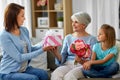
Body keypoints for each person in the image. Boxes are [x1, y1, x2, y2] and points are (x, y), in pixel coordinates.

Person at [0, 3, 54, 80]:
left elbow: (30, 49)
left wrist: (44, 44)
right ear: (14, 17)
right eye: (22, 16)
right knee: (33, 78)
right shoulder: (4, 35)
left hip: (24, 69)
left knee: (43, 74)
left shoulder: (24, 30)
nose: (24, 18)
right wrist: (43, 50)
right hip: (9, 72)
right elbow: (19, 57)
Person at [51, 12, 97, 80]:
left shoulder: (92, 39)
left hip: (82, 66)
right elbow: (62, 59)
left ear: (83, 25)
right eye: (73, 22)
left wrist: (81, 61)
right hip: (68, 64)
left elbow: (92, 61)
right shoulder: (68, 38)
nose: (73, 24)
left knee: (69, 77)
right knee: (56, 73)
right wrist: (55, 52)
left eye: (76, 22)